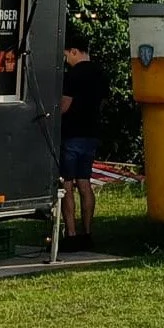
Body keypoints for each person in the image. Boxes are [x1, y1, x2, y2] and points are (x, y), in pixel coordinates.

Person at [59, 27, 107, 250]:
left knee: (67, 185)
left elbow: (64, 106)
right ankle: (88, 232)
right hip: (92, 133)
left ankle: (71, 234)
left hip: (72, 134)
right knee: (85, 183)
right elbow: (103, 103)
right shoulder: (100, 73)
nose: (66, 60)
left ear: (74, 51)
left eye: (67, 55)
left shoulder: (73, 75)